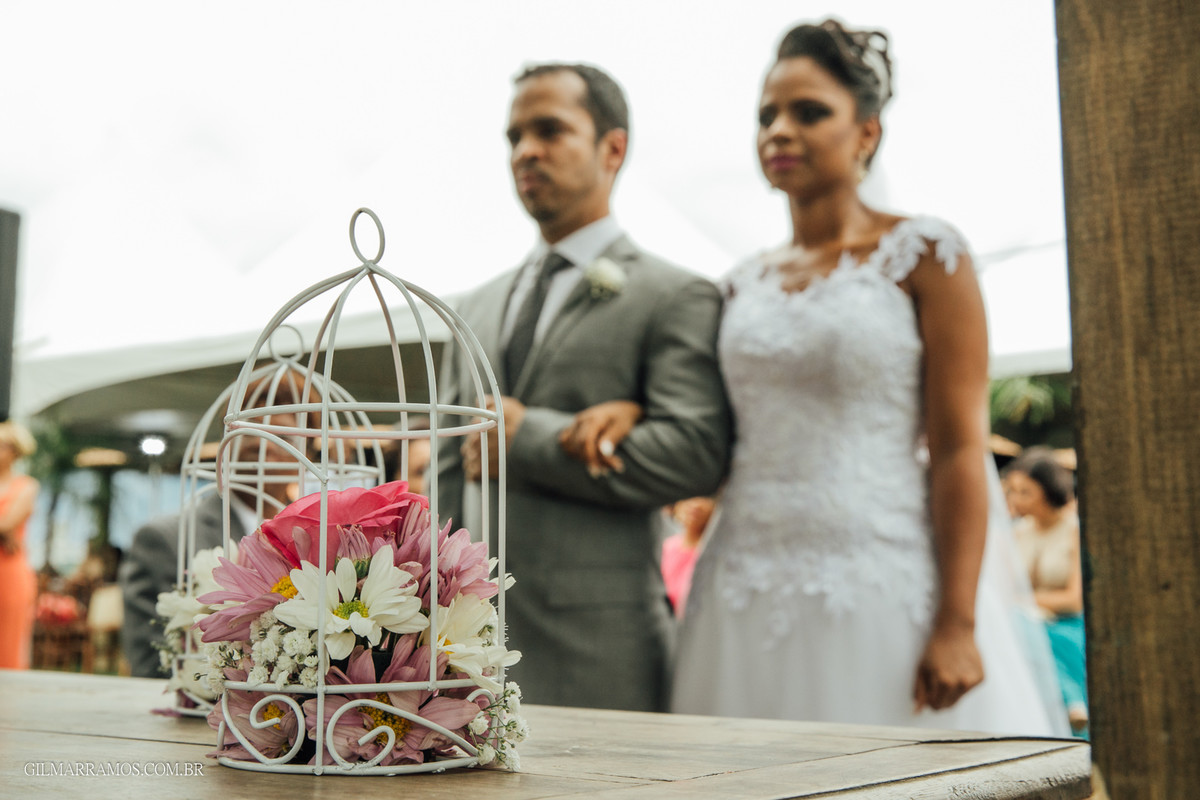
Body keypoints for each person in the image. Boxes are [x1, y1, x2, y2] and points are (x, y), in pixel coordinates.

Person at [561, 20, 1058, 734]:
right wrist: (635, 410)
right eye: (767, 115)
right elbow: (712, 424)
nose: (779, 131)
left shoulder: (926, 256)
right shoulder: (739, 286)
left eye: (809, 111)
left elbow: (959, 448)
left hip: (880, 583)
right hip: (741, 584)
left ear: (866, 133)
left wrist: (958, 620)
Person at [436, 62, 731, 712]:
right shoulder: (470, 309)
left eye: (550, 130)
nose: (526, 151)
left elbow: (696, 454)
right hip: (462, 662)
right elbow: (447, 482)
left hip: (603, 656)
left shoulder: (674, 296)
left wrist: (528, 438)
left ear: (613, 148)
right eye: (515, 137)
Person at [119, 387, 301, 677]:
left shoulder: (316, 542)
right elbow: (151, 664)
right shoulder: (164, 539)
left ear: (305, 455)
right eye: (250, 432)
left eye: (282, 436)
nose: (264, 445)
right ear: (225, 446)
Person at [1005, 448, 1089, 736]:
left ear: (1047, 491)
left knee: (1030, 628)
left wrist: (1025, 602)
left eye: (1025, 492)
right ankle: (1070, 700)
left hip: (1068, 625)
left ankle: (1072, 701)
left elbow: (1075, 599)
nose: (1016, 499)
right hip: (1028, 623)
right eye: (1012, 491)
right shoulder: (1018, 532)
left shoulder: (1075, 530)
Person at [0, 421, 40, 669]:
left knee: (8, 641)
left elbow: (7, 524)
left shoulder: (26, 486)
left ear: (15, 451)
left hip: (9, 572)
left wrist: (5, 532)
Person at [660, 496, 715, 617]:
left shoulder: (713, 552)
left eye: (704, 497)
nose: (695, 505)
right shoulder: (667, 547)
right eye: (689, 497)